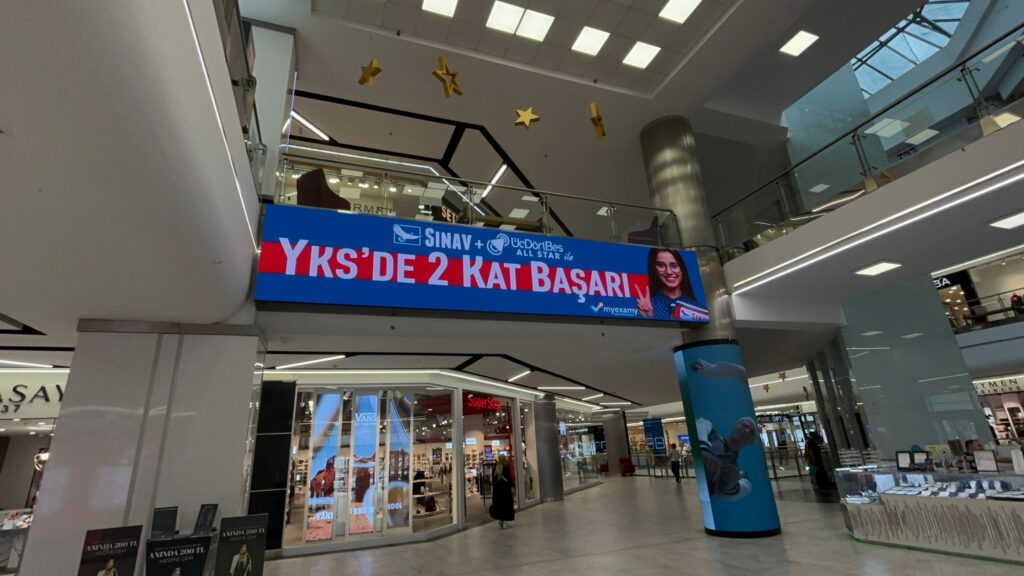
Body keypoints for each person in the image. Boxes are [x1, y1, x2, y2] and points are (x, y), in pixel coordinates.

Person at [635, 249, 708, 321]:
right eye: (661, 265)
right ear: (654, 269)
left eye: (674, 266)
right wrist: (649, 318)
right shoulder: (647, 306)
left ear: (682, 268)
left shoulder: (700, 310)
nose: (669, 272)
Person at [696, 417, 757, 500]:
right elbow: (700, 424)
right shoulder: (711, 434)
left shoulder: (737, 474)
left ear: (750, 442)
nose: (747, 430)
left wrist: (731, 485)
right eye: (745, 425)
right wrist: (703, 448)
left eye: (751, 432)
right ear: (734, 426)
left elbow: (745, 488)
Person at [489, 454, 515, 528]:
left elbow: (493, 481)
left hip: (497, 492)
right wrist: (512, 486)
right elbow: (509, 479)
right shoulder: (505, 468)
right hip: (505, 491)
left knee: (500, 506)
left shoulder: (495, 468)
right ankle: (505, 521)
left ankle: (501, 520)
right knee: (506, 506)